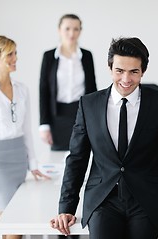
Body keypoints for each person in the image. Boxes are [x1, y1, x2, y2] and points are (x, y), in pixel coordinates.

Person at [50, 37, 158, 239]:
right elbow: (77, 158)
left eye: (134, 72)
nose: (126, 79)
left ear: (143, 71)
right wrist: (66, 207)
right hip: (103, 200)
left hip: (146, 200)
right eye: (119, 71)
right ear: (110, 67)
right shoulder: (89, 105)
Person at [0, 35, 50, 239]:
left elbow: (27, 130)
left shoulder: (22, 89)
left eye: (15, 53)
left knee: (12, 223)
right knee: (13, 220)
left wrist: (33, 163)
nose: (15, 58)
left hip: (19, 159)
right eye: (10, 54)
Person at [39, 14, 97, 151]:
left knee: (81, 156)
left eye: (76, 29)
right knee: (58, 160)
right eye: (67, 28)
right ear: (59, 30)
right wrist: (44, 124)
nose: (72, 33)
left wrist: (95, 120)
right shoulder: (49, 56)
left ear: (80, 31)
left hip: (81, 115)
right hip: (57, 116)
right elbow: (44, 91)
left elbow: (92, 89)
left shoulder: (87, 56)